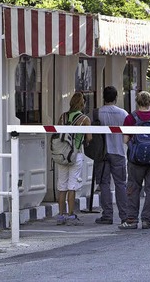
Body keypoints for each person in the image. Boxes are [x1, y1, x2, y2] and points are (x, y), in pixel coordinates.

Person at [119, 91, 150, 230]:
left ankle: (132, 219)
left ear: (137, 102)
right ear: (149, 103)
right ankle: (147, 219)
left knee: (133, 188)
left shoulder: (130, 118)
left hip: (135, 160)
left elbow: (125, 139)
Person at [94, 86, 129, 225]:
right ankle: (124, 215)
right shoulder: (123, 114)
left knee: (104, 184)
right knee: (121, 184)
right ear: (116, 97)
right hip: (119, 152)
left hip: (102, 153)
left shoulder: (97, 113)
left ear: (103, 97)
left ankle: (107, 215)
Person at [56, 92, 92, 226]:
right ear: (82, 104)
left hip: (62, 154)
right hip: (76, 154)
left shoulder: (63, 117)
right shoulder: (84, 119)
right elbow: (89, 138)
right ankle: (71, 215)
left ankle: (60, 215)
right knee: (72, 185)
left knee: (62, 185)